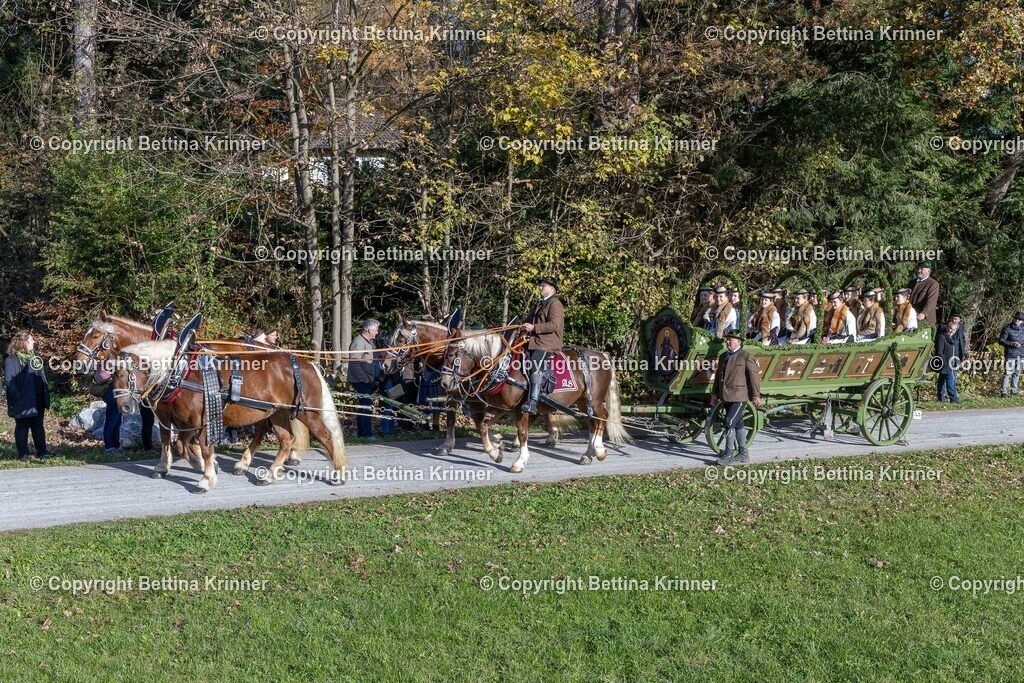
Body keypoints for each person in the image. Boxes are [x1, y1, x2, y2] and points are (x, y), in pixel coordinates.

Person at [711, 332, 761, 466]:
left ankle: (728, 454)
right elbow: (718, 378)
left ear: (739, 342)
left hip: (740, 396)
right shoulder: (723, 356)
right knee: (738, 423)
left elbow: (754, 377)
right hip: (725, 397)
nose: (728, 343)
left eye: (731, 340)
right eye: (727, 340)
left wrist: (755, 395)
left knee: (729, 422)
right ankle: (743, 453)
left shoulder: (746, 356)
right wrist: (714, 394)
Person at [4, 331, 50, 461]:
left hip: (38, 399)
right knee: (22, 427)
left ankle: (42, 452)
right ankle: (23, 454)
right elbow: (10, 381)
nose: (34, 342)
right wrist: (18, 398)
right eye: (31, 340)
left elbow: (41, 376)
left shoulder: (35, 357)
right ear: (23, 343)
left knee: (38, 426)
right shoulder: (11, 360)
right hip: (23, 400)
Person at [521, 277, 564, 414]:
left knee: (536, 364)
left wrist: (533, 327)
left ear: (552, 288)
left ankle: (533, 402)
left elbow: (554, 325)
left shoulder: (555, 304)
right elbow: (527, 321)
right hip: (534, 342)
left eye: (543, 286)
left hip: (547, 344)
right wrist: (523, 331)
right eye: (540, 286)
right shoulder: (539, 304)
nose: (540, 288)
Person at [347, 319, 382, 439]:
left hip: (369, 380)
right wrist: (364, 378)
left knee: (364, 406)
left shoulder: (369, 343)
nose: (377, 333)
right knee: (366, 406)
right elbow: (354, 363)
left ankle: (362, 433)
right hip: (361, 381)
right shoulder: (358, 342)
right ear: (369, 330)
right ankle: (366, 434)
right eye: (376, 330)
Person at [934, 315, 966, 403]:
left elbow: (955, 351)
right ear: (947, 328)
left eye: (954, 330)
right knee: (950, 380)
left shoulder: (955, 339)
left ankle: (941, 397)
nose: (952, 331)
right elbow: (939, 351)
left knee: (943, 379)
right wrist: (943, 361)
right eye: (950, 329)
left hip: (952, 362)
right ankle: (953, 397)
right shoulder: (942, 337)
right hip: (945, 362)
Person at [998, 311, 1024, 397]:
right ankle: (1004, 392)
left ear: (1022, 321)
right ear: (1013, 318)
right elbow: (1001, 341)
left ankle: (1014, 390)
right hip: (1010, 354)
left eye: (1019, 319)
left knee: (1017, 373)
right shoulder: (1007, 328)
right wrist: (1012, 343)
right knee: (1008, 373)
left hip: (1021, 355)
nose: (1017, 320)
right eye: (1016, 318)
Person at [909, 261, 940, 325]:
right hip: (911, 316)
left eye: (922, 269)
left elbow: (931, 302)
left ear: (928, 271)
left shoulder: (933, 284)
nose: (919, 270)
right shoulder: (912, 282)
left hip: (925, 320)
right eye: (918, 268)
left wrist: (923, 313)